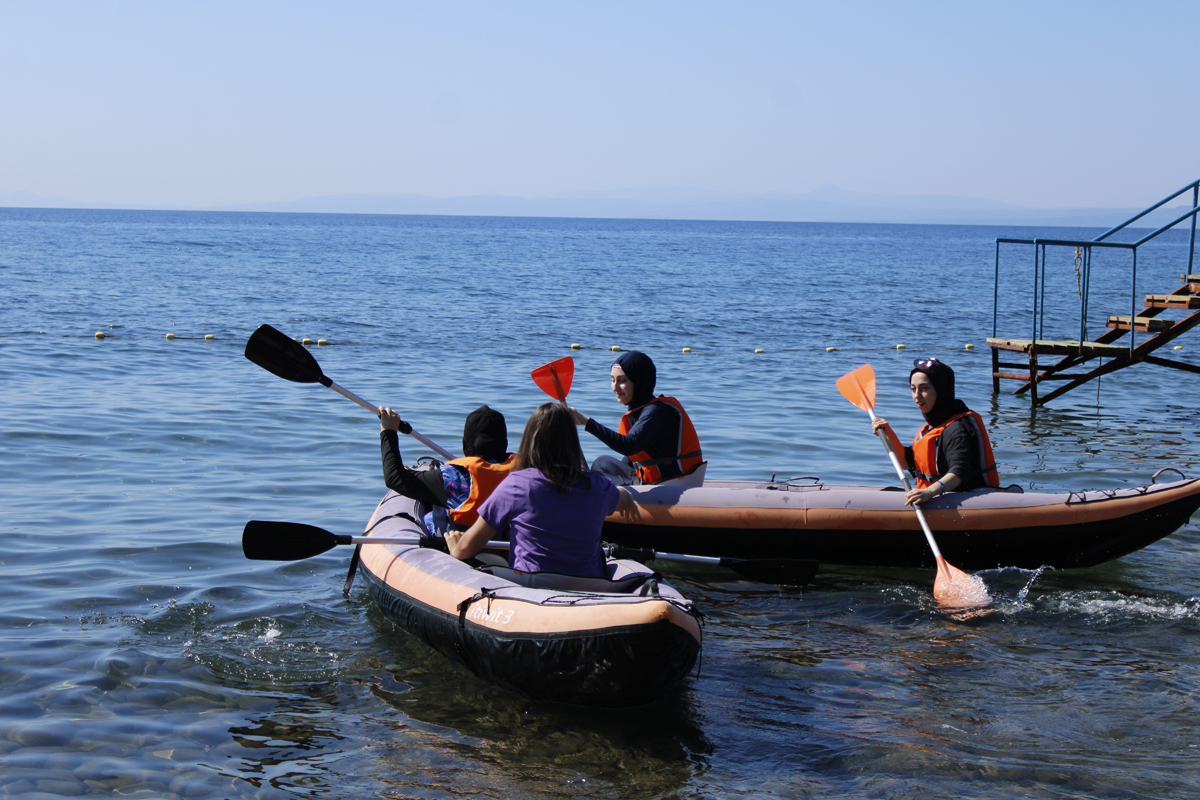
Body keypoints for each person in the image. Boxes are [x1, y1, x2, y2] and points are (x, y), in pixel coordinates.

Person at [445, 403, 636, 577]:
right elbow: (624, 499)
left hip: (534, 587)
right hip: (588, 584)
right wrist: (624, 496)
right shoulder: (597, 485)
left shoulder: (516, 485)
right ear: (572, 442)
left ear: (531, 441)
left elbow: (467, 548)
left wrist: (455, 546)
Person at [872, 358, 999, 506]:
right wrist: (888, 433)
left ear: (941, 389)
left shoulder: (957, 429)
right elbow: (906, 463)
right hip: (936, 497)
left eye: (924, 388)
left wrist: (929, 492)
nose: (917, 395)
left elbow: (959, 473)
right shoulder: (934, 426)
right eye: (913, 389)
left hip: (967, 502)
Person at [566, 351, 702, 485]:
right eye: (613, 380)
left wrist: (587, 422)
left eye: (622, 380)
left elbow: (629, 446)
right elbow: (633, 457)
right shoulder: (641, 410)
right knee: (602, 464)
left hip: (673, 483)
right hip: (659, 479)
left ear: (639, 381)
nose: (615, 387)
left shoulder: (656, 412)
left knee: (595, 476)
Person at [379, 404, 518, 535]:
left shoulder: (456, 476)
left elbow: (395, 478)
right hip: (512, 552)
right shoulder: (526, 470)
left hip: (467, 555)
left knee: (431, 514)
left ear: (465, 444)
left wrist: (389, 432)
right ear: (505, 443)